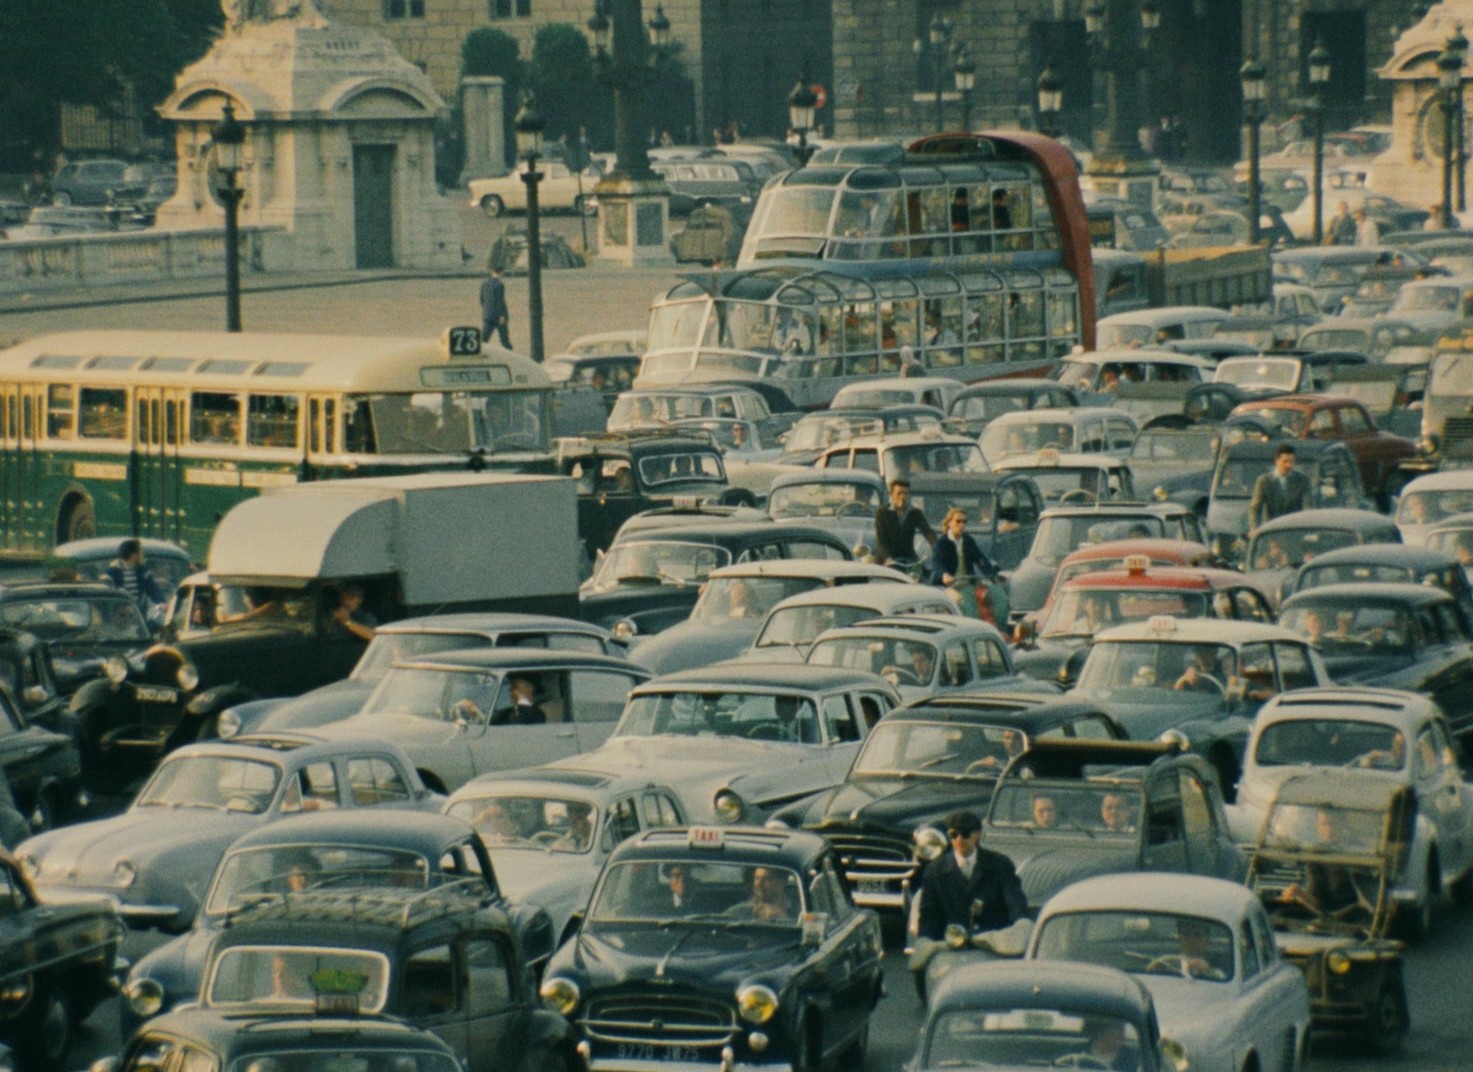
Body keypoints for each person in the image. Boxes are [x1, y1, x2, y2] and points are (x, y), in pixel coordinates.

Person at [916, 809, 1027, 941]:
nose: (959, 839)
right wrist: (925, 944)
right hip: (950, 946)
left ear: (978, 834)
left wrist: (1021, 928)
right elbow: (929, 917)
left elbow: (1015, 902)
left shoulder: (1000, 864)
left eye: (965, 834)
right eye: (954, 834)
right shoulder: (934, 870)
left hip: (992, 944)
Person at [1280, 807, 1360, 914]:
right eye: (1324, 824)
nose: (1329, 829)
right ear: (1318, 827)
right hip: (1332, 914)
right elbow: (1317, 901)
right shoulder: (1316, 855)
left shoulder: (1359, 849)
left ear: (1342, 824)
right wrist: (1298, 893)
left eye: (1333, 824)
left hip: (1360, 913)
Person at [927, 508, 998, 586]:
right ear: (949, 523)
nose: (962, 524)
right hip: (946, 586)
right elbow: (937, 563)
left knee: (987, 595)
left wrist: (993, 576)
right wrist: (944, 575)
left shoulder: (968, 541)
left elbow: (980, 559)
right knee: (958, 598)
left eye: (964, 521)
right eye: (958, 521)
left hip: (967, 584)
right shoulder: (941, 543)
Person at [874, 479, 936, 566]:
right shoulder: (882, 513)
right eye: (899, 493)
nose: (902, 497)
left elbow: (927, 531)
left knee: (924, 572)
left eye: (905, 493)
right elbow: (881, 540)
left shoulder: (915, 512)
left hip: (908, 557)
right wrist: (887, 558)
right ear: (891, 495)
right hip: (887, 559)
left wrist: (936, 547)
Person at [1248, 444, 1310, 529]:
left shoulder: (1302, 480)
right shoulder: (1264, 481)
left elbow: (1308, 505)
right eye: (1285, 461)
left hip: (1294, 529)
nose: (1289, 465)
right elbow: (1256, 507)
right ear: (1276, 461)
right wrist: (1254, 528)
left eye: (1292, 461)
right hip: (1272, 529)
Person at [104, 538, 166, 618]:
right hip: (118, 616)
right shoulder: (112, 572)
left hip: (139, 615)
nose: (142, 555)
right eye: (140, 552)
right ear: (133, 555)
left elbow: (153, 588)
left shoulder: (143, 572)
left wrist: (162, 602)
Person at [727, 866, 798, 921]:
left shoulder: (797, 911)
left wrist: (783, 918)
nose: (759, 884)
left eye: (767, 879)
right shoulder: (740, 911)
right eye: (757, 878)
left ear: (782, 882)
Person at [480, 266, 511, 349]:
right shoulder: (499, 285)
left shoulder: (484, 284)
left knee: (483, 340)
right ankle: (510, 355)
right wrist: (502, 315)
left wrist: (486, 310)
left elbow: (482, 299)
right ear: (500, 273)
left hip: (488, 315)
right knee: (504, 340)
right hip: (498, 316)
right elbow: (499, 301)